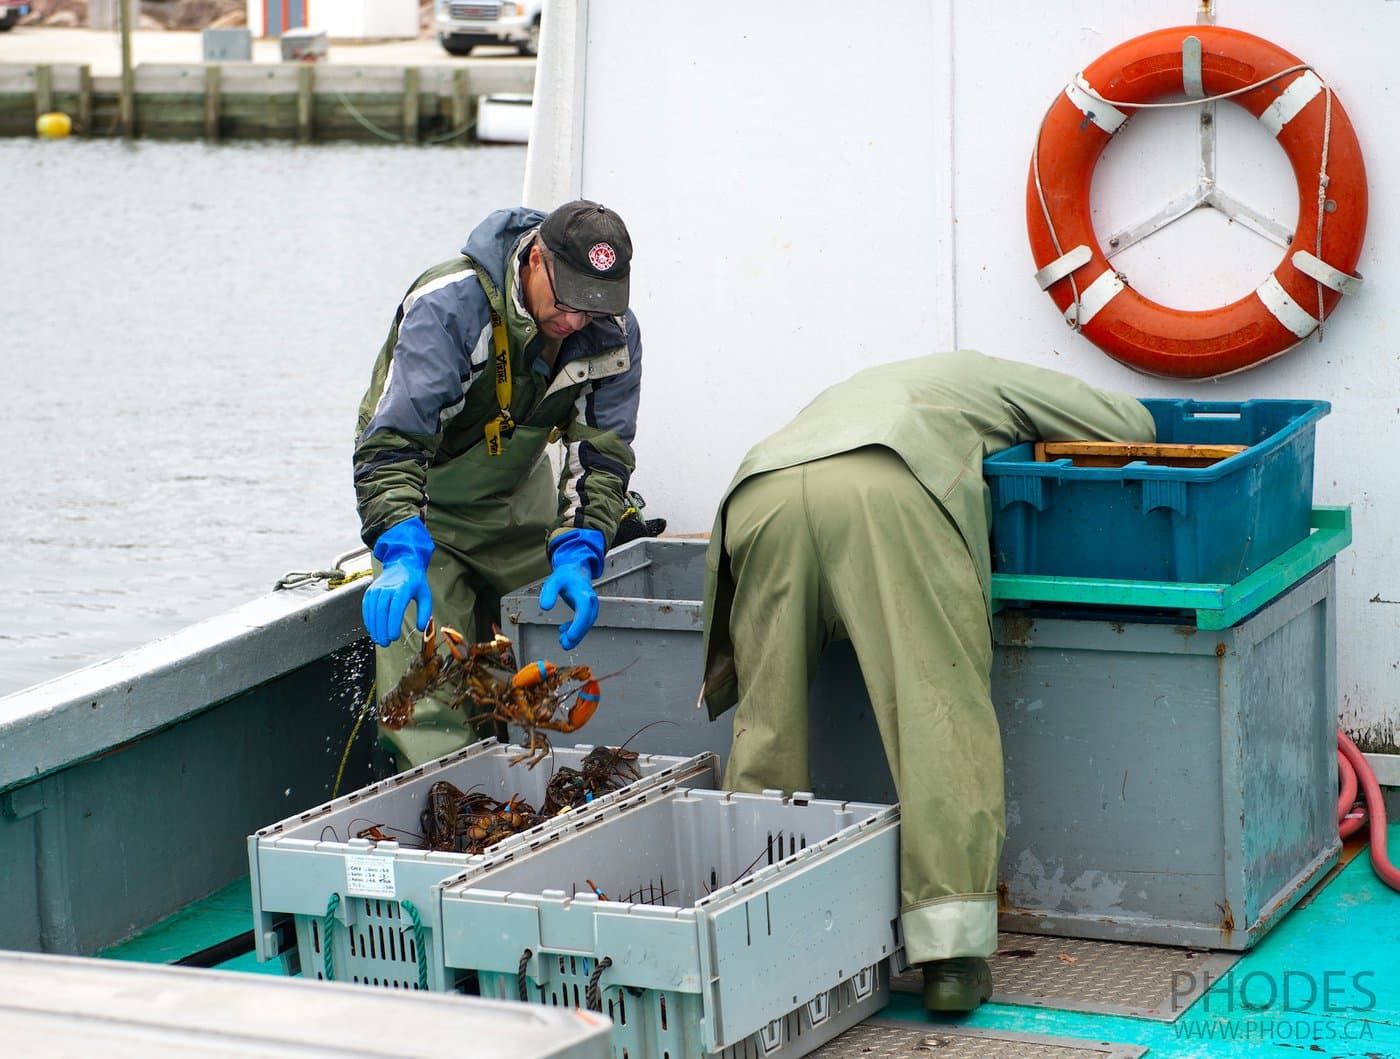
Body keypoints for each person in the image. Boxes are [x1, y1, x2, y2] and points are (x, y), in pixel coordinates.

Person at [699, 351, 1156, 1012]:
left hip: (760, 494)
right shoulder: (982, 379)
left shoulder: (851, 385)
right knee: (938, 716)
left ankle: (750, 938)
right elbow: (1126, 422)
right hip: (887, 496)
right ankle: (950, 959)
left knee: (768, 726)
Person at [354, 200, 644, 769]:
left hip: (520, 506)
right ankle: (446, 808)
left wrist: (582, 548)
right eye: (565, 303)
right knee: (427, 690)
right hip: (427, 513)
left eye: (594, 307)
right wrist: (399, 548)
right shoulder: (450, 306)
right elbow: (391, 446)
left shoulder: (613, 331)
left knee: (552, 671)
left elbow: (602, 456)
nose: (575, 322)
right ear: (535, 258)